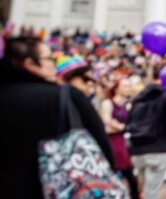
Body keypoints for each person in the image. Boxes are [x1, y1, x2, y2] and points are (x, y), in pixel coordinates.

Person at [0, 36, 114, 198]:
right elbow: (102, 150)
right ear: (30, 64)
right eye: (49, 59)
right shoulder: (65, 96)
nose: (54, 64)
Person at [126, 62, 166, 199]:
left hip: (137, 151)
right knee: (152, 193)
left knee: (144, 191)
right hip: (157, 150)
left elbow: (129, 120)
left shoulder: (139, 96)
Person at [100, 77, 139, 199]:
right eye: (125, 86)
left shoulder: (129, 104)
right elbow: (106, 122)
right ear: (117, 88)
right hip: (113, 141)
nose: (128, 88)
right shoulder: (108, 103)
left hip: (125, 141)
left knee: (131, 176)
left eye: (129, 86)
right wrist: (123, 127)